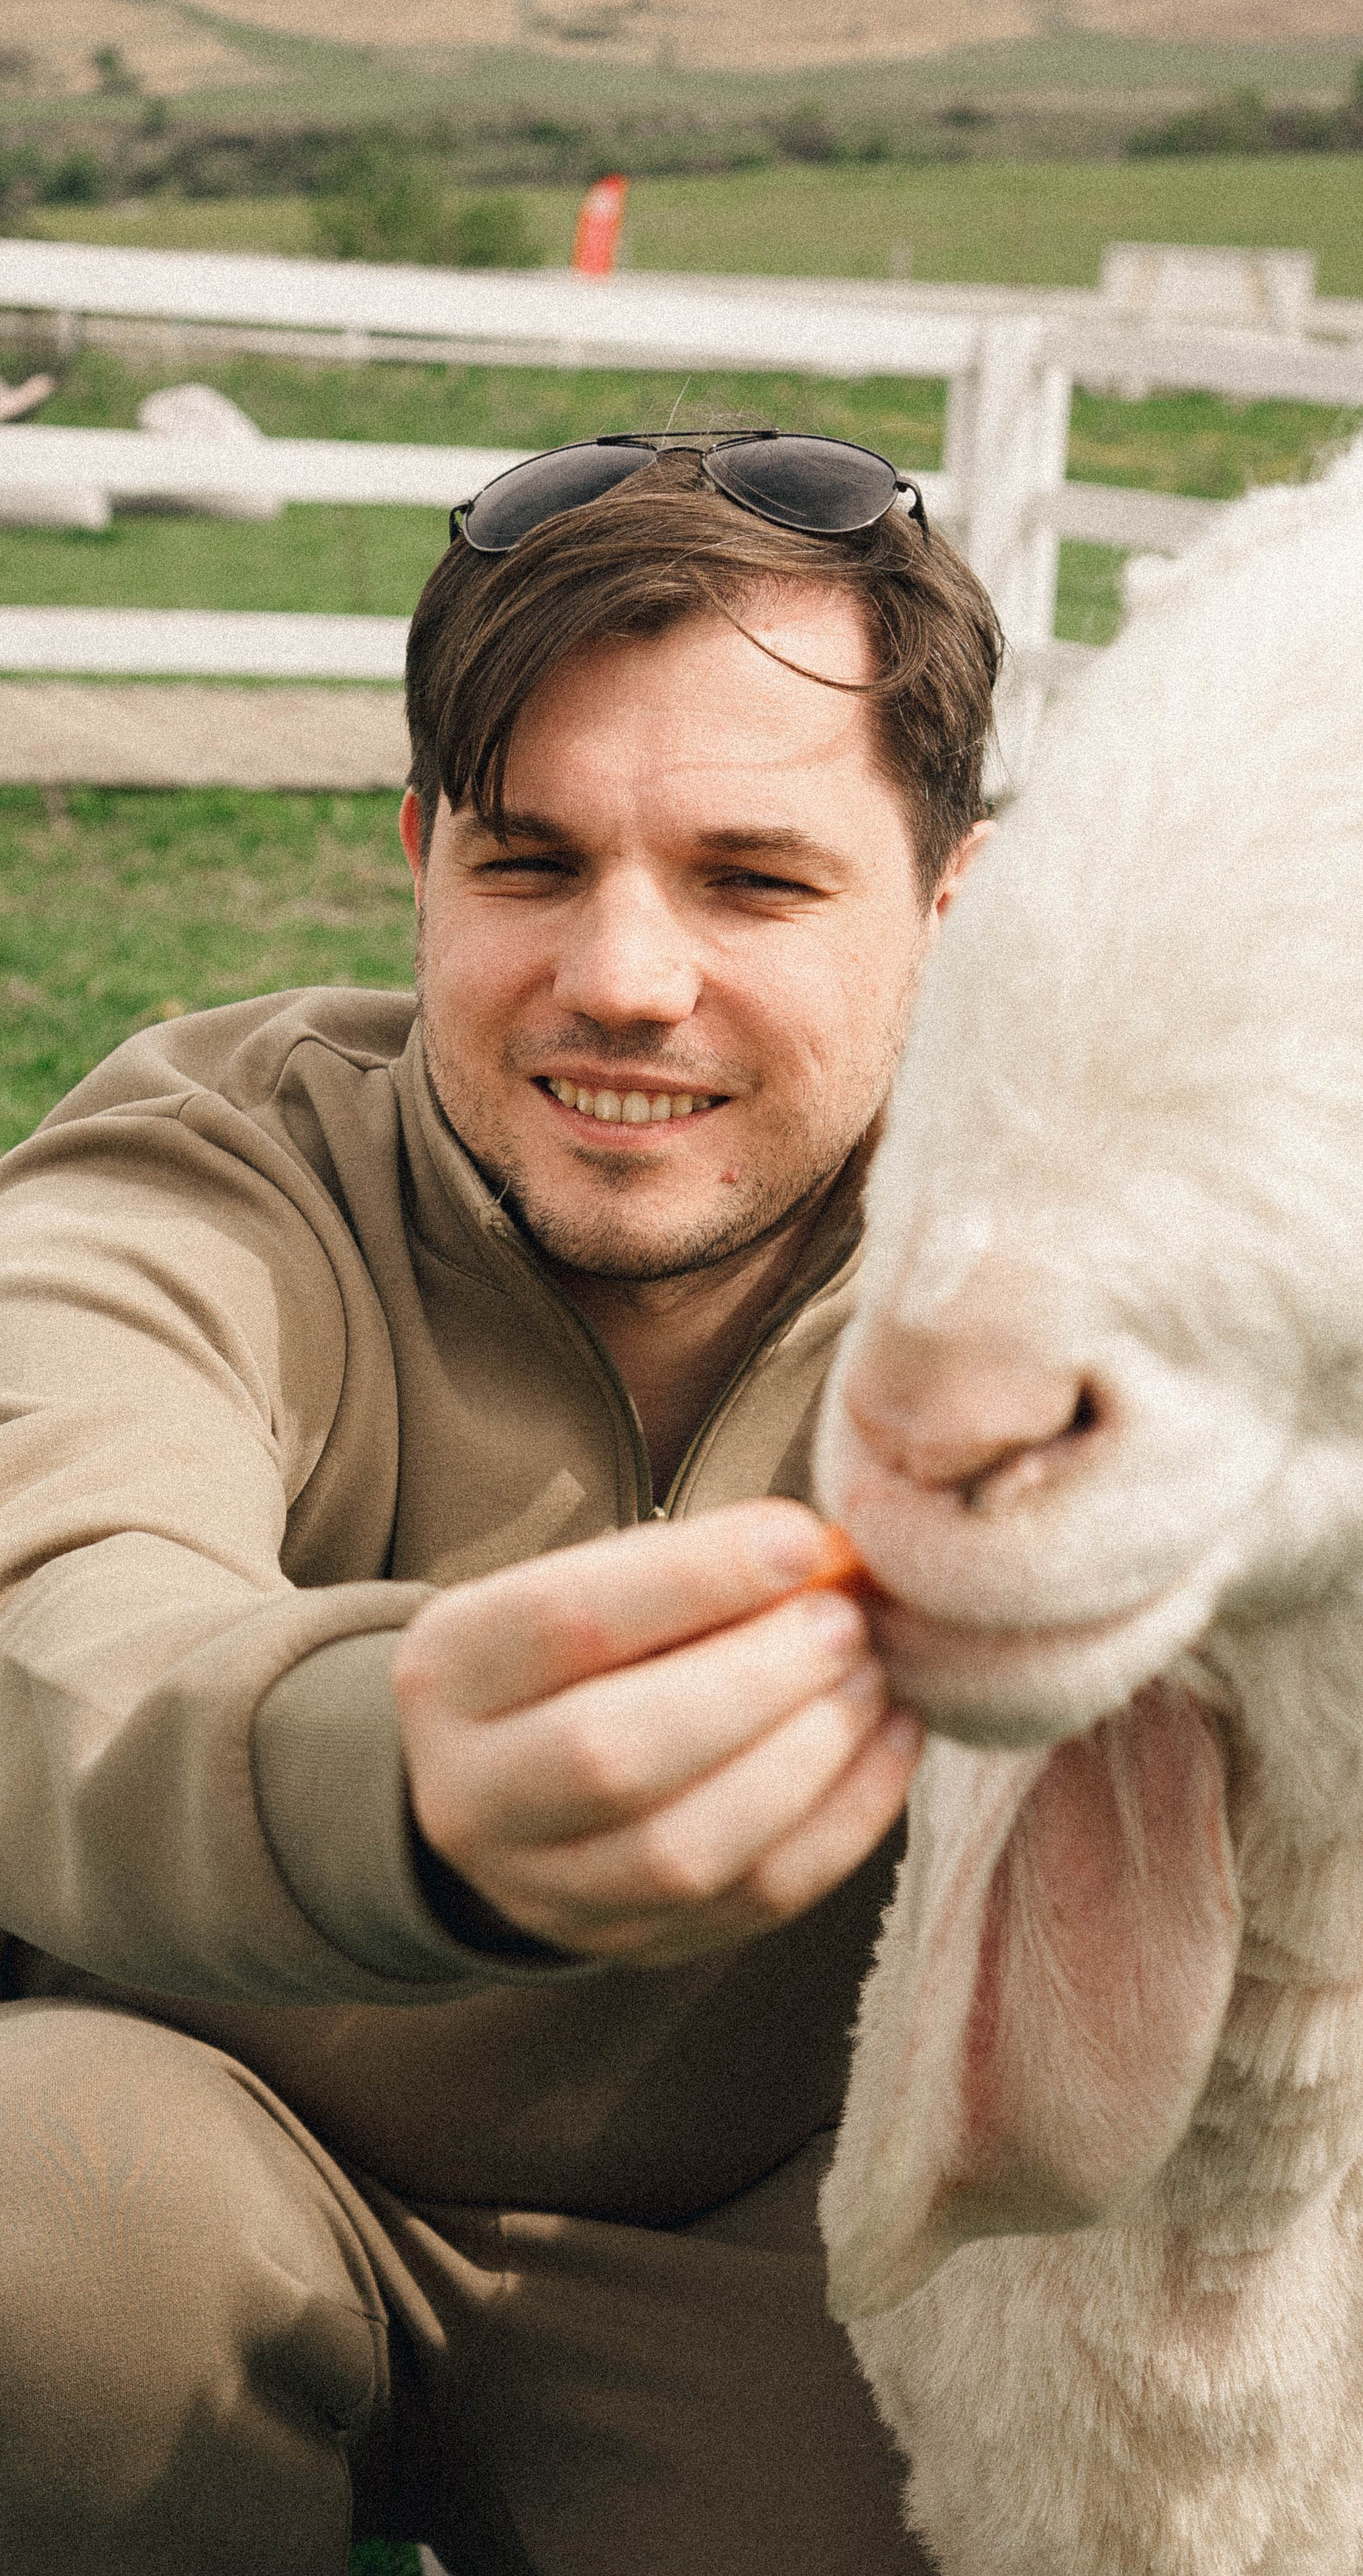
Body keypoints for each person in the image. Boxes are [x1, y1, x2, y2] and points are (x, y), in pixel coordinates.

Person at [0, 431, 1001, 2576]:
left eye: (754, 880)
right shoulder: (218, 1165)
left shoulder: (1074, 1284)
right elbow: (55, 1615)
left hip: (789, 2256)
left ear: (952, 902)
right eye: (529, 864)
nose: (625, 979)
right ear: (419, 861)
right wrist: (406, 1780)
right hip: (205, 2172)